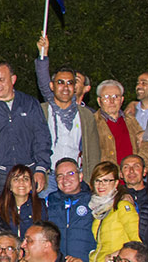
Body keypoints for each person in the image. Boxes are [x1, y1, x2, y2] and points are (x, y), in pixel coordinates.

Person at [0, 61, 51, 193]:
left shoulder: (29, 103)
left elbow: (42, 137)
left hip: (27, 172)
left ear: (13, 79)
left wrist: (41, 168)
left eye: (1, 80)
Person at [34, 40, 99, 185]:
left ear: (75, 86)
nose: (65, 87)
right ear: (52, 86)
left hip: (75, 177)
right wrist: (43, 55)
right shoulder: (42, 111)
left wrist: (90, 182)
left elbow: (93, 153)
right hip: (47, 176)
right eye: (60, 82)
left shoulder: (86, 115)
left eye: (70, 83)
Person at [89, 161, 140, 262]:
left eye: (106, 180)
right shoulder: (99, 210)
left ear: (116, 183)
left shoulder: (122, 206)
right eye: (98, 180)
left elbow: (137, 241)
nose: (101, 185)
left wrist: (118, 254)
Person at [44, 158, 96, 262]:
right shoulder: (50, 201)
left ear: (80, 176)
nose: (65, 179)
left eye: (70, 174)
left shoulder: (94, 201)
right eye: (60, 176)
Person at [92, 81, 148, 170]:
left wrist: (141, 168)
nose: (112, 101)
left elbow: (145, 147)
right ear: (99, 101)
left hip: (131, 179)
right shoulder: (91, 123)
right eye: (107, 97)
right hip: (106, 180)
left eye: (116, 96)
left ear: (122, 100)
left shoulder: (131, 121)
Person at [0, 164, 43, 240]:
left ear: (31, 185)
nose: (21, 182)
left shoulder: (41, 206)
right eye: (16, 179)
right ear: (10, 186)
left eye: (26, 179)